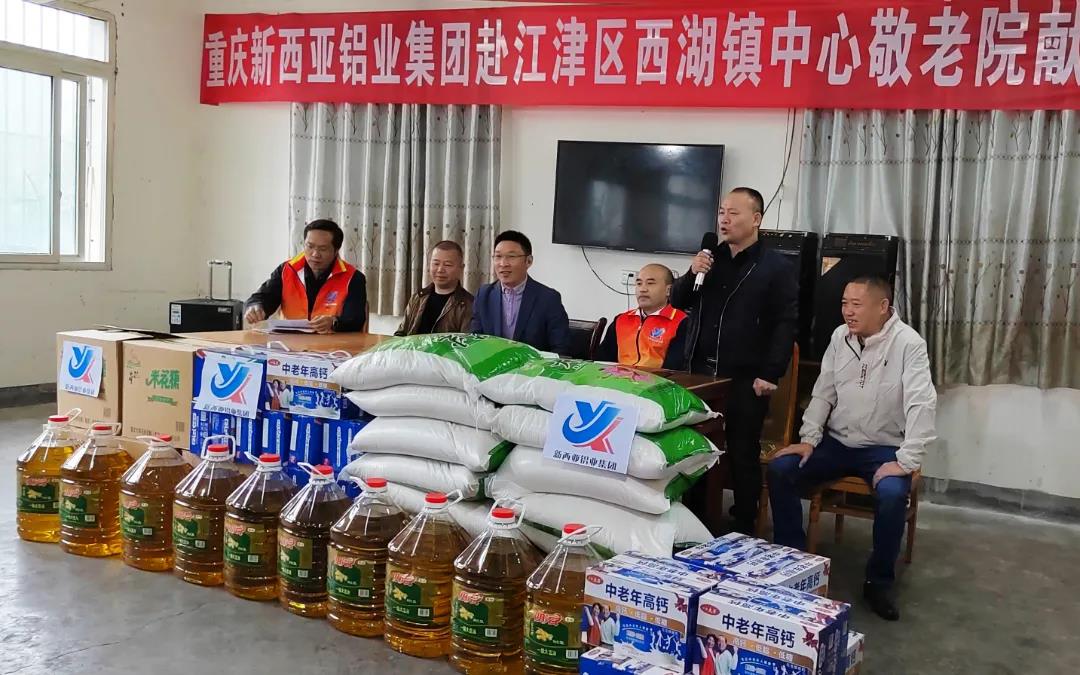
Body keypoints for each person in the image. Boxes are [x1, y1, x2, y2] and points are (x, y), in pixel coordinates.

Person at [767, 276, 937, 622]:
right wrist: (809, 438)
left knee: (892, 494)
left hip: (883, 447)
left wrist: (907, 461)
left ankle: (879, 582)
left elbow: (922, 404)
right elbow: (823, 391)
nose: (848, 311)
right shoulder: (839, 337)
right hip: (838, 442)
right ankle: (793, 561)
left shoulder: (909, 344)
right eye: (845, 303)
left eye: (856, 304)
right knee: (781, 469)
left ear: (883, 307)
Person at [664, 187, 798, 534]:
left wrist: (771, 373)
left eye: (733, 213)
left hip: (746, 375)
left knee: (741, 449)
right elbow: (678, 301)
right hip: (700, 373)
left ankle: (743, 522)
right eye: (722, 212)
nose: (724, 219)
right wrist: (692, 271)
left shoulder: (775, 267)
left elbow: (785, 323)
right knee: (696, 445)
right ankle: (696, 518)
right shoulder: (710, 259)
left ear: (756, 219)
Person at [245, 219, 367, 333]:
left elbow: (355, 320)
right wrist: (256, 307)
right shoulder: (287, 270)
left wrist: (333, 322)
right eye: (310, 246)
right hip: (290, 342)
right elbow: (264, 297)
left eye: (323, 249)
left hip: (332, 344)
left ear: (336, 250)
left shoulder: (353, 278)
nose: (315, 254)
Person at [470, 230, 571, 353]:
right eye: (498, 256)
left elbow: (561, 348)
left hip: (535, 365)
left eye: (511, 257)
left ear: (528, 261)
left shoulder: (548, 298)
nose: (503, 263)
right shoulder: (484, 295)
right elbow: (475, 341)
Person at [596, 263, 688, 368]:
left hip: (656, 377)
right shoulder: (621, 320)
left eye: (650, 283)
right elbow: (602, 360)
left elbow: (675, 370)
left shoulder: (681, 322)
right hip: (618, 376)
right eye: (639, 284)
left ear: (668, 290)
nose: (642, 289)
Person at [394, 240, 474, 336]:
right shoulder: (418, 297)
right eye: (436, 263)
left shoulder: (468, 305)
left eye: (447, 265)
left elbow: (467, 342)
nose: (440, 270)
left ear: (461, 268)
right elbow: (401, 333)